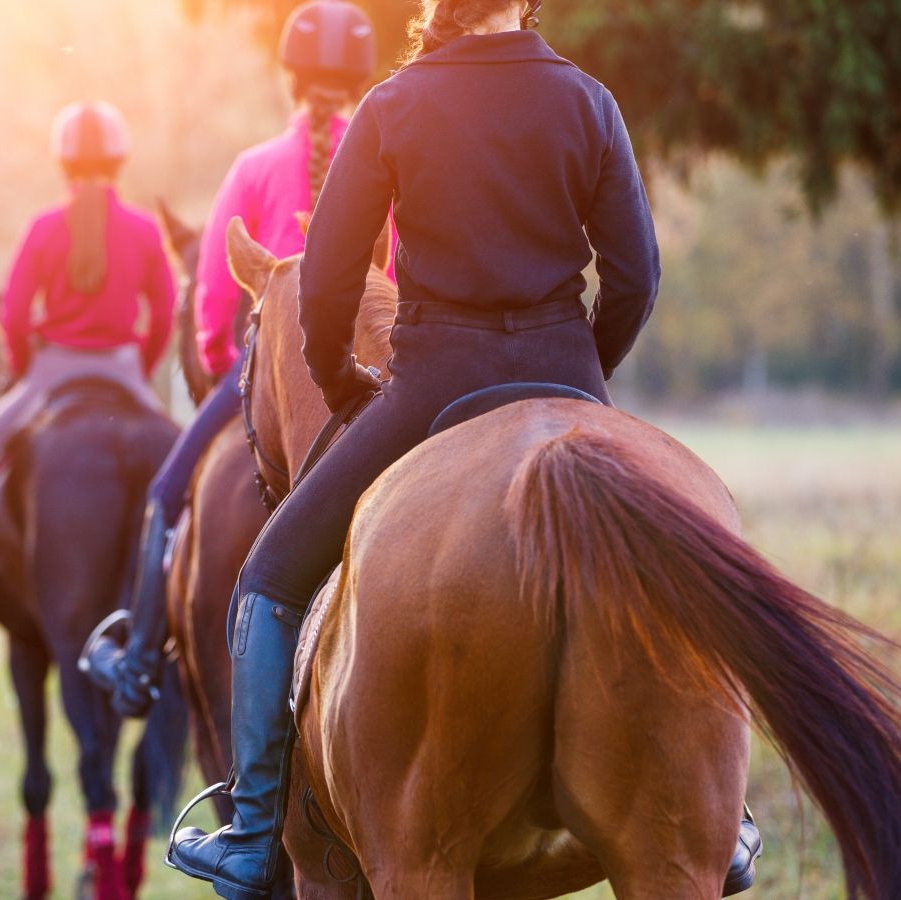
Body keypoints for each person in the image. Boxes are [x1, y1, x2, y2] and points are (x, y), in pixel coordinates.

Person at [165, 2, 763, 898]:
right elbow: (635, 276)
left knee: (267, 577)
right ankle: (728, 819)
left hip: (430, 386)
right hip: (569, 377)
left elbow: (325, 285)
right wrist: (577, 378)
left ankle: (251, 833)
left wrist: (343, 389)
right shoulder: (589, 99)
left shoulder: (395, 105)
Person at [97, 1, 379, 713]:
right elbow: (396, 282)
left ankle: (136, 661)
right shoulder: (386, 162)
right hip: (372, 378)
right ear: (357, 82)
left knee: (165, 495)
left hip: (266, 367)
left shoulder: (253, 167)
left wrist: (226, 357)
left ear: (290, 79)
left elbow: (215, 295)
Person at [0, 101, 174, 642]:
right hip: (125, 372)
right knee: (186, 476)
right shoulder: (145, 231)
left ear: (62, 164)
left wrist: (24, 371)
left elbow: (14, 317)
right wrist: (141, 370)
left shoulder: (43, 229)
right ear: (120, 160)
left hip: (49, 372)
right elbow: (165, 314)